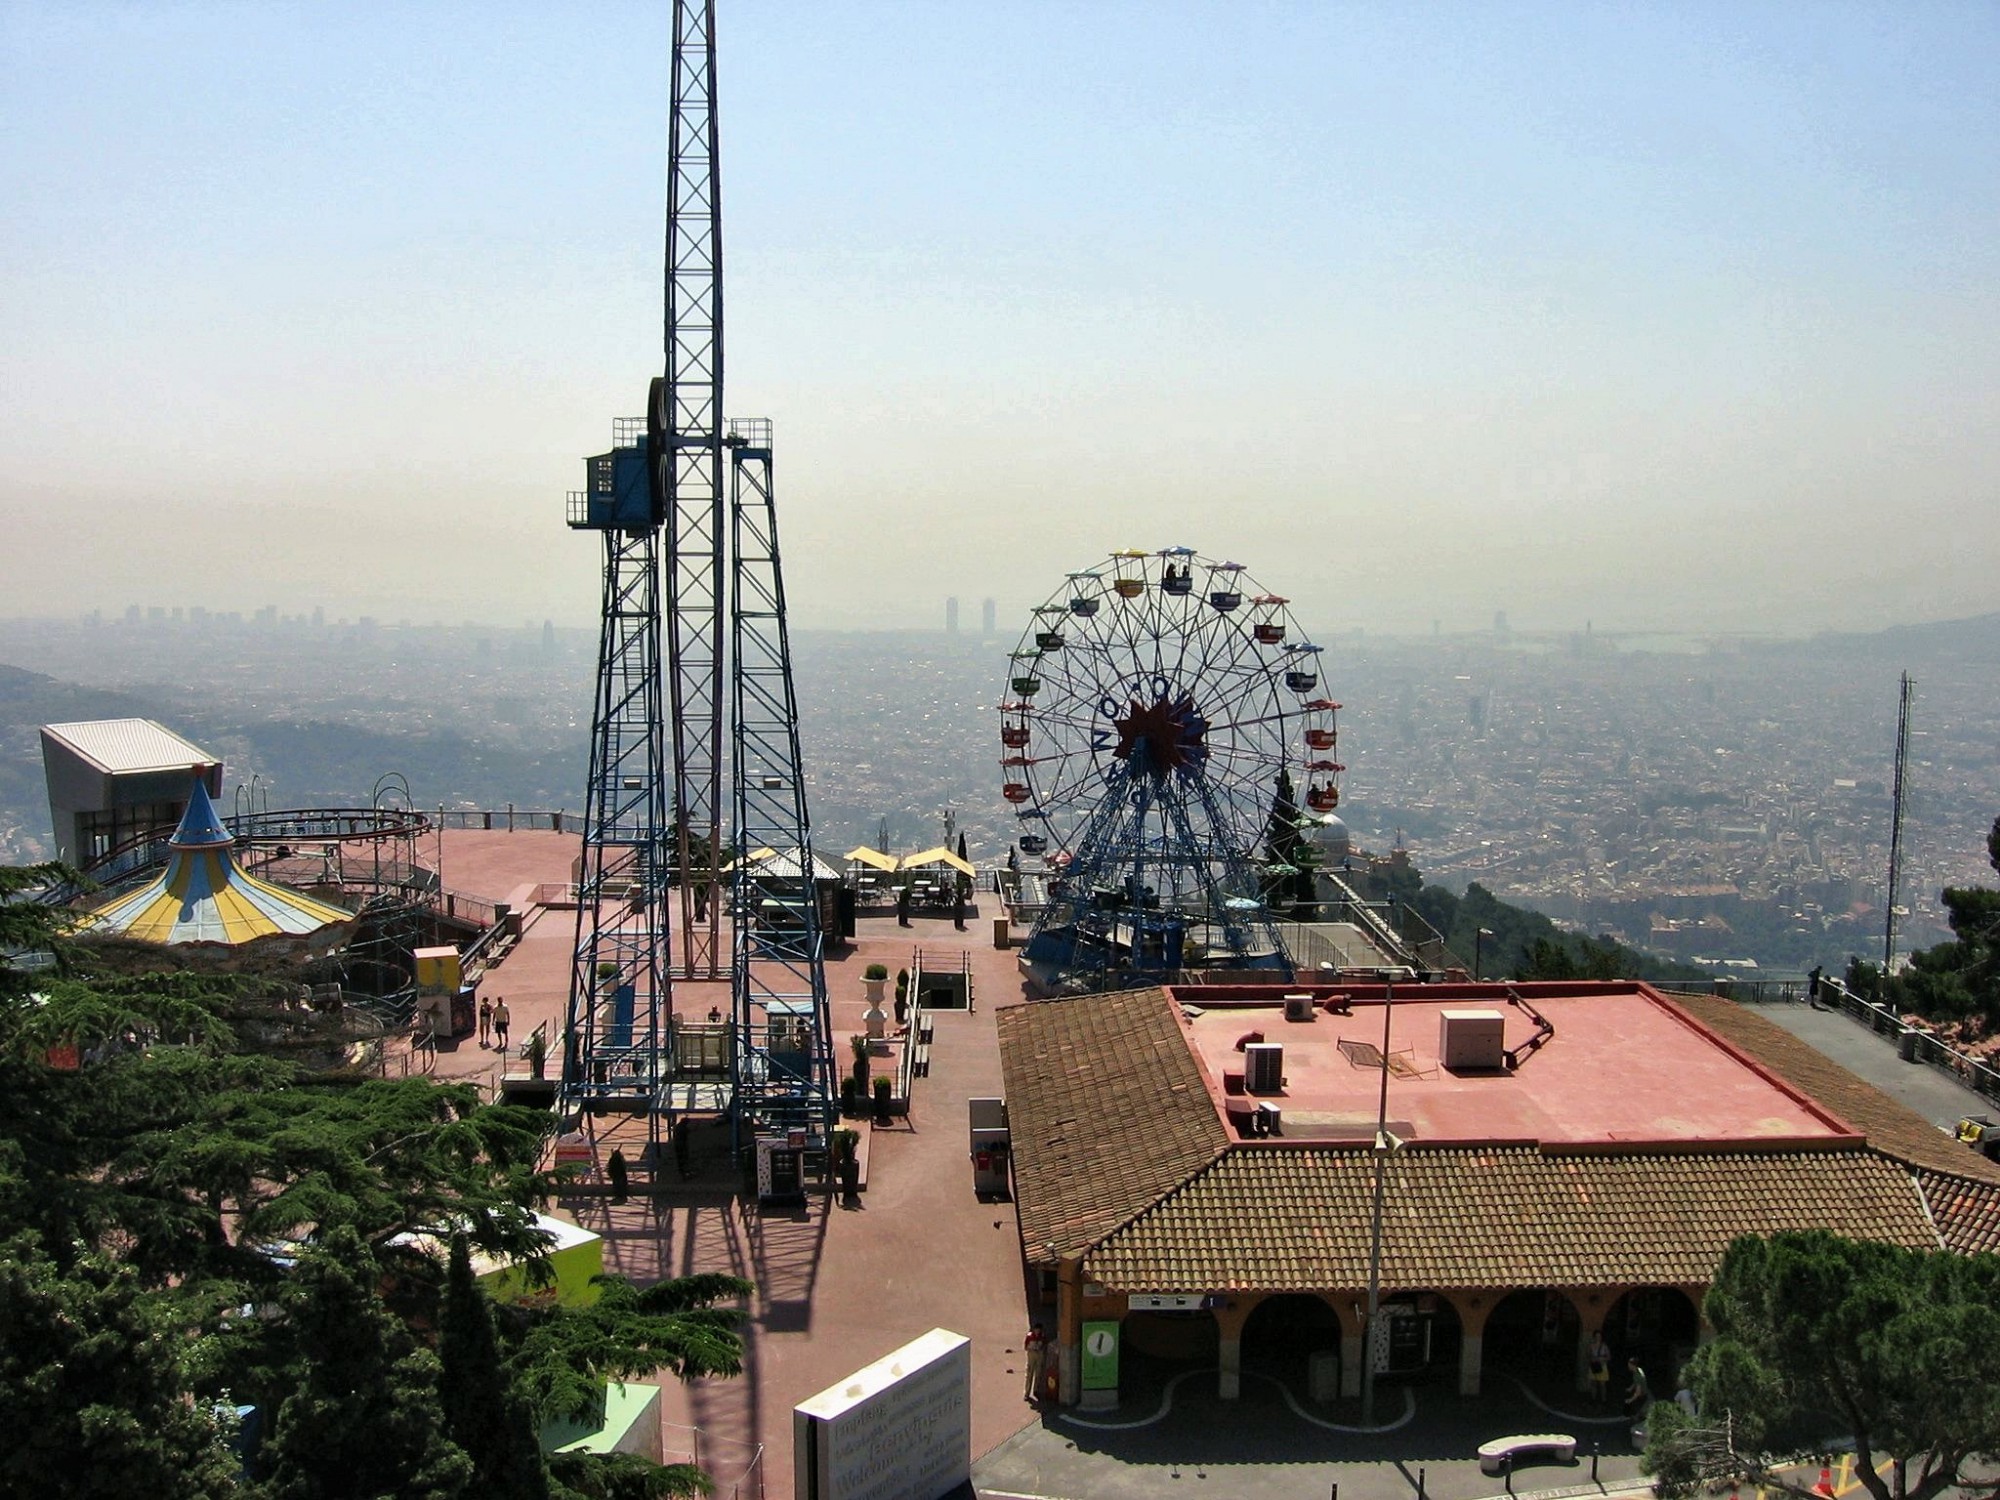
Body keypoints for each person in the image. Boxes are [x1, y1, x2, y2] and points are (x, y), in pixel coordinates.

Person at [1023, 1326, 1046, 1403]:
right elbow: (1026, 1347)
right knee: (1029, 1374)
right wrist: (1032, 1348)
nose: (1037, 1331)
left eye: (1038, 1330)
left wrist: (1039, 1349)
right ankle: (1027, 1393)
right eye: (1036, 1330)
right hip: (1032, 1355)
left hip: (1039, 1355)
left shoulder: (1042, 1336)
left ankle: (1036, 1390)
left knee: (1038, 1374)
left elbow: (1043, 1346)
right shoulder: (1029, 1336)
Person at [1588, 1331, 1611, 1406]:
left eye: (1599, 1336)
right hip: (1594, 1366)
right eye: (1597, 1336)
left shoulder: (1604, 1346)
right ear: (1594, 1337)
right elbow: (1588, 1355)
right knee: (1593, 1384)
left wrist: (1601, 1358)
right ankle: (1593, 1399)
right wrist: (1592, 1359)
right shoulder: (1591, 1346)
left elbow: (1609, 1357)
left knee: (1602, 1385)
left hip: (1602, 1367)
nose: (1598, 1338)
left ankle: (1604, 1400)